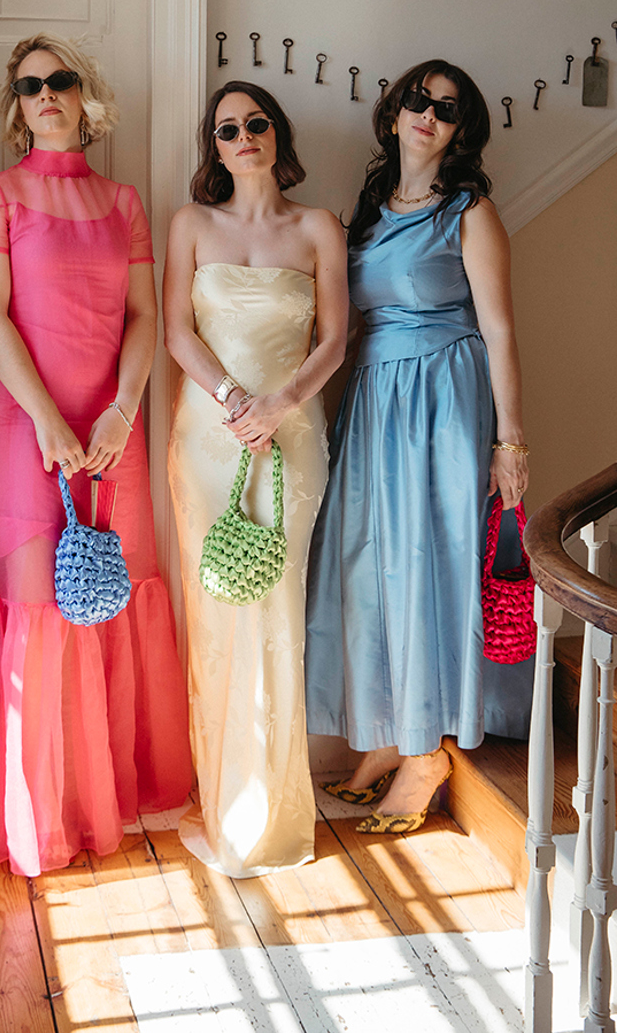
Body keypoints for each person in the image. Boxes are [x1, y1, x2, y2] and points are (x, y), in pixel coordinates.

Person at [0, 33, 190, 874]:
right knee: (36, 603)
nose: (44, 94)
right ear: (16, 104)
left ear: (83, 95)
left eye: (59, 80)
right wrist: (45, 420)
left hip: (111, 431)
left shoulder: (124, 201)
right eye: (28, 84)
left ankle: (97, 796)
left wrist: (121, 411)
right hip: (22, 427)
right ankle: (34, 813)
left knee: (100, 596)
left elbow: (144, 317)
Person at [305, 60, 532, 835]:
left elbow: (498, 329)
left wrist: (510, 440)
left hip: (442, 398)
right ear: (393, 112)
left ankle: (428, 751)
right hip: (373, 398)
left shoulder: (469, 212)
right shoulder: (367, 212)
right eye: (416, 99)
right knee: (368, 567)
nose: (427, 113)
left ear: (461, 130)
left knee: (425, 564)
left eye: (446, 107)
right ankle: (390, 732)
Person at [163, 81, 348, 876]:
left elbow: (334, 339)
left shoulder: (317, 226)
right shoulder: (189, 223)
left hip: (292, 434)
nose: (243, 136)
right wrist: (234, 400)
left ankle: (269, 815)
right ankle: (222, 802)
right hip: (208, 437)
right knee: (214, 613)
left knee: (275, 608)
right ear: (214, 145)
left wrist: (278, 404)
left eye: (256, 122)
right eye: (226, 128)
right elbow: (176, 332)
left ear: (277, 134)